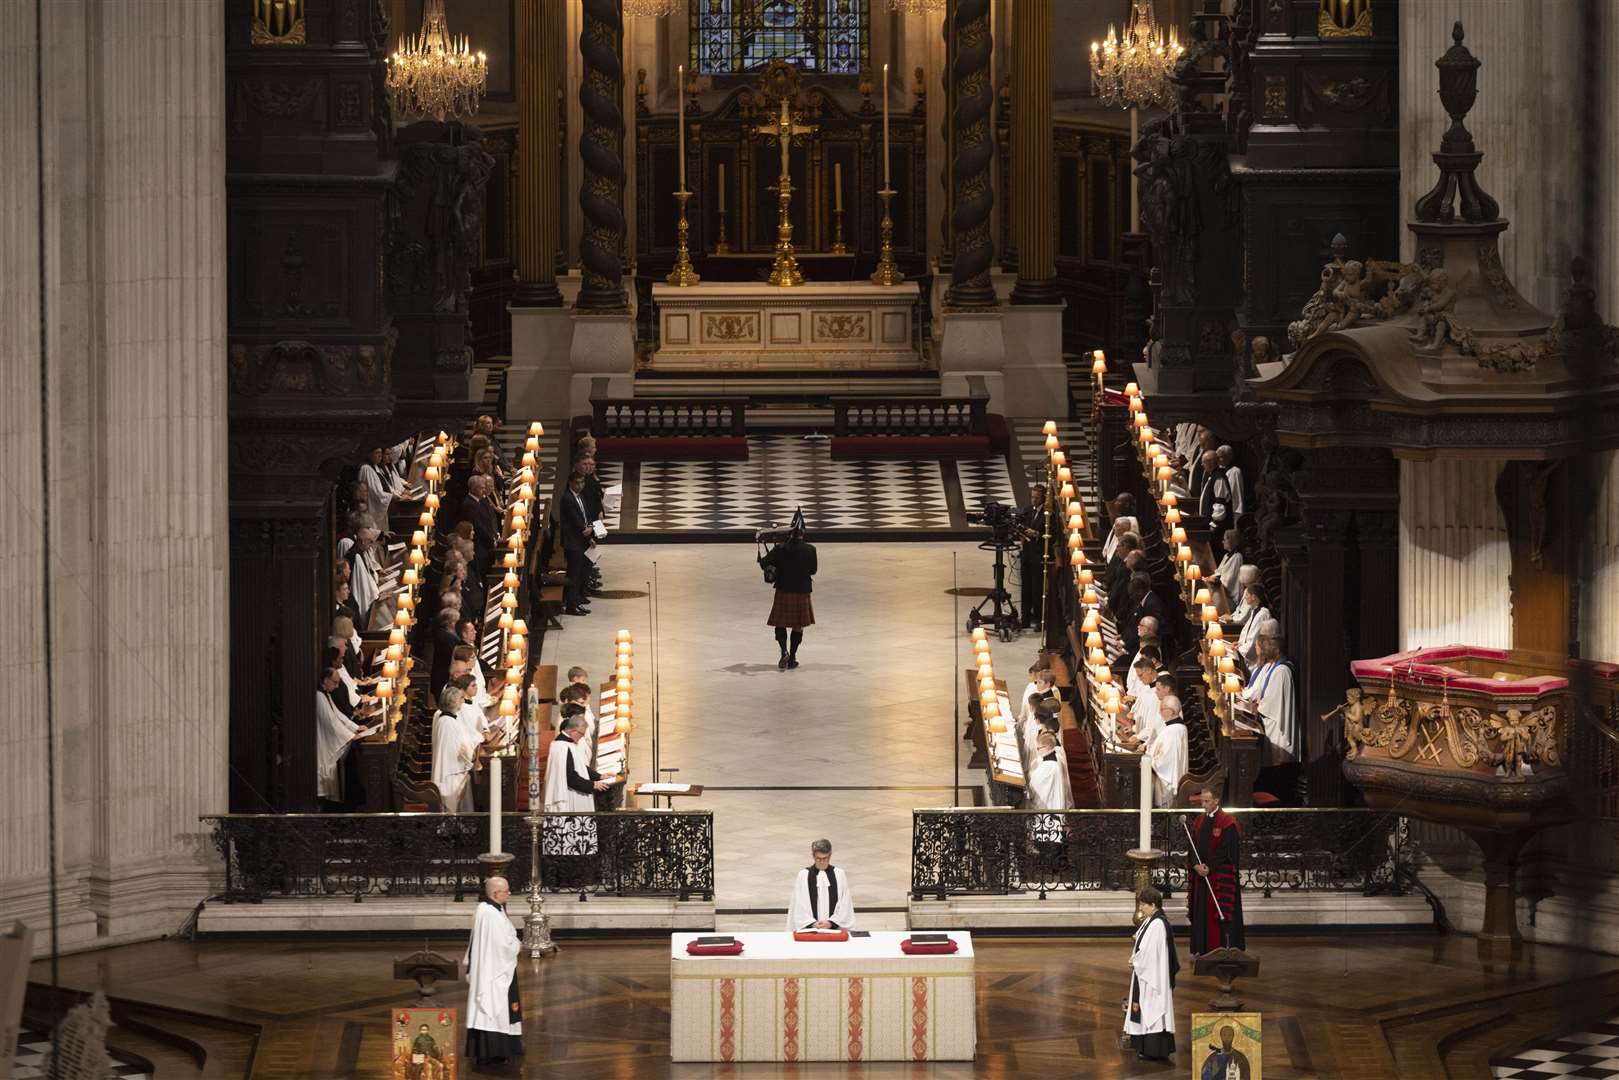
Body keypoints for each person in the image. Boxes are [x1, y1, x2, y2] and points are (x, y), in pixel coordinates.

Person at [463, 875, 524, 1067]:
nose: (509, 893)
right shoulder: (489, 914)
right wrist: (517, 945)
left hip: (495, 968)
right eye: (506, 890)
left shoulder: (491, 910)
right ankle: (493, 1052)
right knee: (495, 1007)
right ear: (496, 893)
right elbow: (502, 946)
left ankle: (502, 1049)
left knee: (504, 1006)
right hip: (494, 971)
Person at [1187, 786, 1246, 955]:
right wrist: (1195, 865)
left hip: (1218, 877)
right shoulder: (1198, 821)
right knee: (1202, 913)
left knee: (1218, 915)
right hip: (1201, 876)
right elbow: (1192, 847)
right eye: (1201, 802)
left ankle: (1222, 949)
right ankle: (1202, 948)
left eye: (1206, 801)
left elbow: (1227, 851)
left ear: (1216, 801)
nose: (1203, 805)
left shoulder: (1228, 823)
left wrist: (1209, 867)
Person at [1123, 885, 1179, 1062]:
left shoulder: (1157, 924)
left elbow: (1151, 954)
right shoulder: (1151, 920)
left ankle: (1154, 1050)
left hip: (1153, 978)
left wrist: (1136, 961)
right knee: (1145, 1008)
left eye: (1143, 905)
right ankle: (1145, 1047)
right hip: (1145, 975)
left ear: (1153, 905)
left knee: (1152, 1009)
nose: (1140, 908)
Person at [1234, 619, 1297, 762]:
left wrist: (1257, 707)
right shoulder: (1271, 666)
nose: (1264, 649)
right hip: (1266, 723)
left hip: (1277, 728)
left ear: (1276, 648)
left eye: (1267, 645)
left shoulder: (1282, 671)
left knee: (1277, 760)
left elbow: (1273, 704)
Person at [761, 519, 817, 670]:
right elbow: (813, 571)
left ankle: (783, 651)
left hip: (784, 589)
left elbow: (763, 563)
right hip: (802, 591)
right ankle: (792, 658)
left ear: (790, 532)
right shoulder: (810, 549)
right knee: (798, 625)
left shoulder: (781, 548)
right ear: (803, 533)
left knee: (780, 623)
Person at [316, 667, 366, 805]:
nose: (337, 686)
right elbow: (331, 722)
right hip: (322, 739)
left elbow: (338, 715)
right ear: (326, 680)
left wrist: (355, 728)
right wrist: (350, 736)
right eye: (335, 682)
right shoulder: (319, 696)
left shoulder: (326, 693)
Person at [431, 685, 485, 812]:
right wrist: (470, 756)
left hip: (454, 769)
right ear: (453, 702)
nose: (463, 700)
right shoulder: (447, 722)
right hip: (450, 774)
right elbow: (457, 749)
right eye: (461, 698)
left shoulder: (448, 719)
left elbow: (461, 742)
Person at [787, 839, 855, 931]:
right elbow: (798, 904)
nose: (822, 862)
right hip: (810, 930)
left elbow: (845, 903)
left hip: (834, 930)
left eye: (825, 858)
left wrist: (831, 922)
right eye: (818, 859)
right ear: (813, 856)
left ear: (830, 855)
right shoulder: (803, 875)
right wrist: (812, 923)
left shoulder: (839, 874)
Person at [558, 472, 594, 616]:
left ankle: (576, 601)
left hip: (582, 540)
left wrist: (590, 527)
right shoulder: (567, 498)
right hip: (573, 542)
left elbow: (586, 514)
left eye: (582, 482)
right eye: (577, 483)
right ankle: (571, 606)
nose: (580, 485)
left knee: (580, 573)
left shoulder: (580, 496)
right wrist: (586, 530)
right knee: (573, 574)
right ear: (570, 483)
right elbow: (575, 521)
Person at [1146, 697, 1189, 807]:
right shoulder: (1177, 728)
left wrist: (1148, 760)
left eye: (1162, 709)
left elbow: (1166, 761)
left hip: (1166, 783)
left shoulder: (1173, 731)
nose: (1159, 712)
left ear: (1170, 711)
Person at [1018, 485, 1047, 629]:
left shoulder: (1048, 514)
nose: (1033, 500)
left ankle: (1038, 619)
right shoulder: (1028, 510)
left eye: (1036, 498)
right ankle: (1025, 618)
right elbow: (1021, 526)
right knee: (1025, 588)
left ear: (1042, 498)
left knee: (1037, 589)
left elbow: (1050, 534)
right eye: (1032, 497)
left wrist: (1036, 534)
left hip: (1038, 556)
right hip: (1027, 555)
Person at [1214, 529, 1244, 599]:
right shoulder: (1226, 555)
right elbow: (1219, 571)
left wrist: (1215, 580)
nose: (1222, 542)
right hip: (1222, 588)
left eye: (1225, 539)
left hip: (1230, 596)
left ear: (1231, 541)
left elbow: (1229, 580)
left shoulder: (1237, 557)